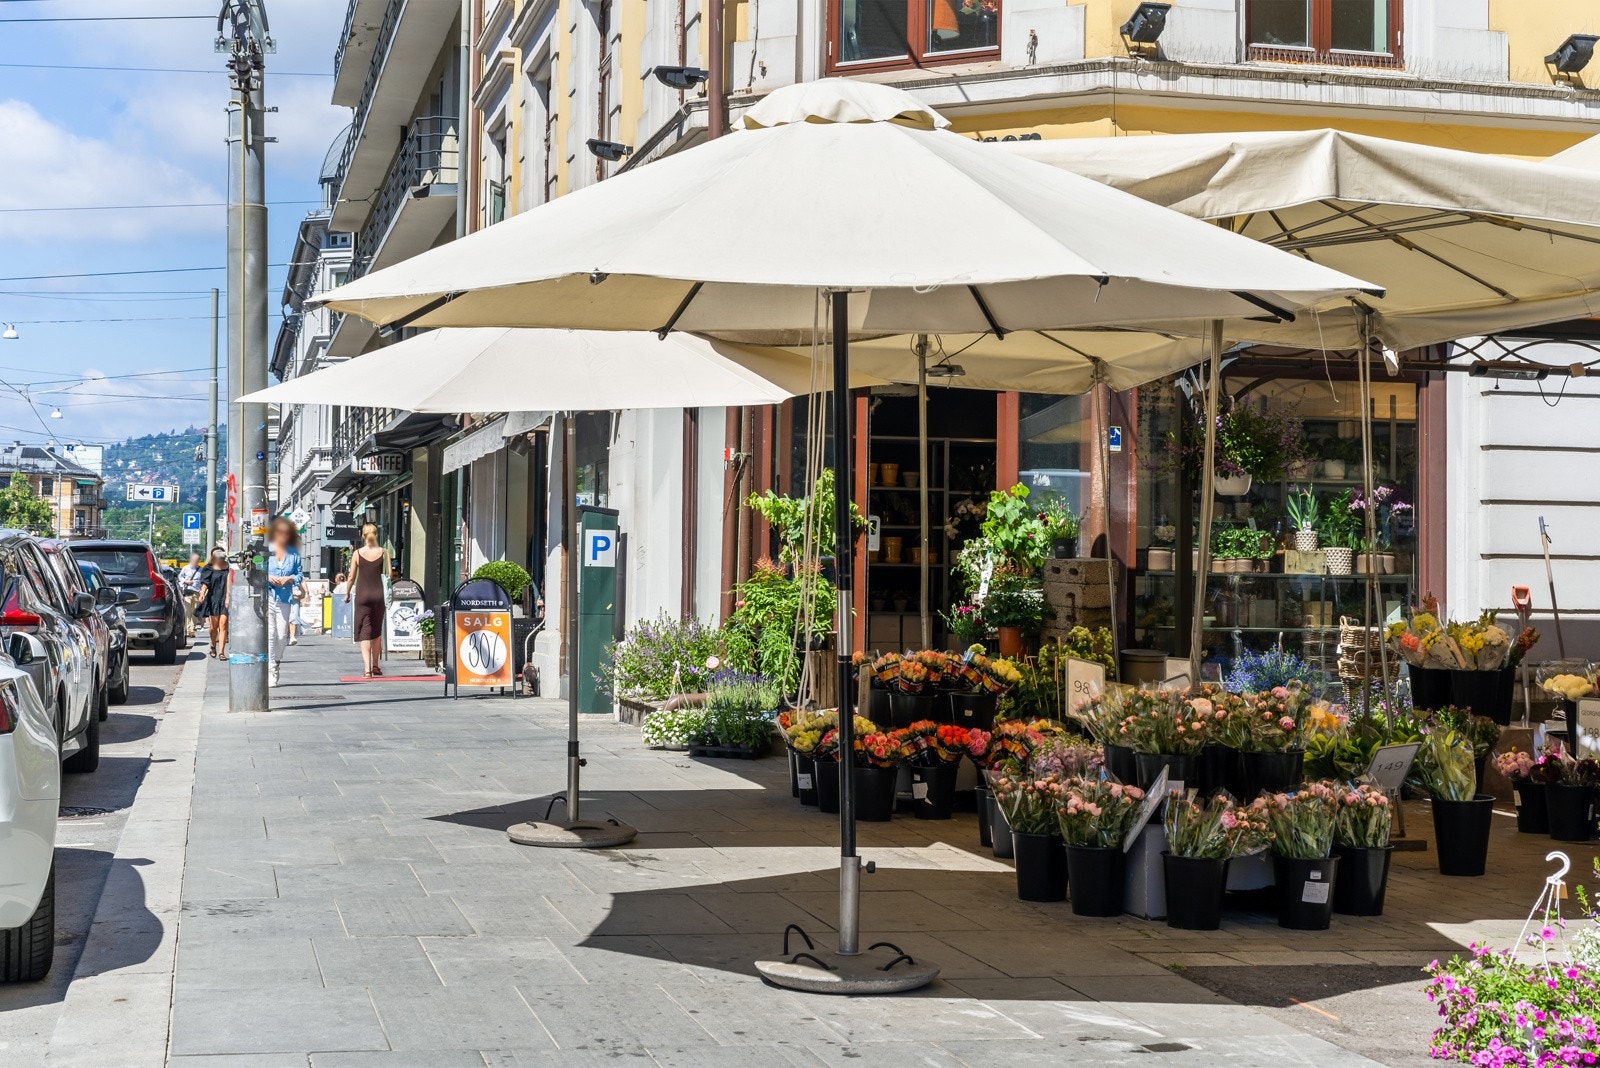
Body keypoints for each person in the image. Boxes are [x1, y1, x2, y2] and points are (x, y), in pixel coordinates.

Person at [345, 523, 389, 678]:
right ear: (376, 535)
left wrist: (347, 593)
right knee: (376, 630)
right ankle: (376, 665)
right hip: (378, 595)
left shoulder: (357, 553)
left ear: (363, 536)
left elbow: (351, 577)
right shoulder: (384, 552)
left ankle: (367, 669)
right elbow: (389, 574)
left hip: (363, 595)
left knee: (365, 630)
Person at [264, 517, 303, 687]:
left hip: (285, 598)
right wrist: (269, 577)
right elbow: (258, 572)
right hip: (269, 596)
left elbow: (299, 575)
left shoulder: (294, 555)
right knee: (270, 634)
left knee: (282, 635)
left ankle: (277, 661)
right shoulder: (266, 553)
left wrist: (289, 578)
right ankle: (271, 668)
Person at [194, 548, 231, 659]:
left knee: (223, 624)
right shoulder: (208, 568)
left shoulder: (229, 567)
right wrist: (202, 593)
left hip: (226, 599)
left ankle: (221, 652)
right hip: (213, 599)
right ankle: (213, 645)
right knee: (213, 627)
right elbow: (205, 583)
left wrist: (228, 597)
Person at [178, 551, 203, 639]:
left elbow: (202, 582)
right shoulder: (185, 568)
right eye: (194, 559)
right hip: (188, 592)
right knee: (187, 612)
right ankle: (188, 630)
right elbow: (180, 577)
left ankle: (193, 629)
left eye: (197, 560)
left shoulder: (201, 569)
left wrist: (202, 593)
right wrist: (186, 581)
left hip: (197, 593)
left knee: (195, 613)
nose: (195, 561)